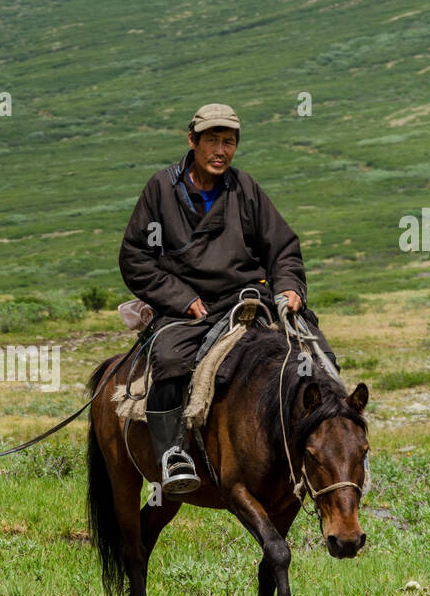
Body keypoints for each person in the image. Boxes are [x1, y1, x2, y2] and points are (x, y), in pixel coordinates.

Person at [118, 103, 338, 495]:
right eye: (213, 141)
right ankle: (173, 455)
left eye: (229, 142)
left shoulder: (245, 189)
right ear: (192, 141)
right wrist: (180, 297)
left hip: (250, 298)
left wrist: (288, 287)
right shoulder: (161, 190)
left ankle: (326, 449)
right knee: (168, 359)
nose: (221, 150)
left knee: (317, 353)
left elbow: (282, 247)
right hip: (191, 307)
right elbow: (136, 257)